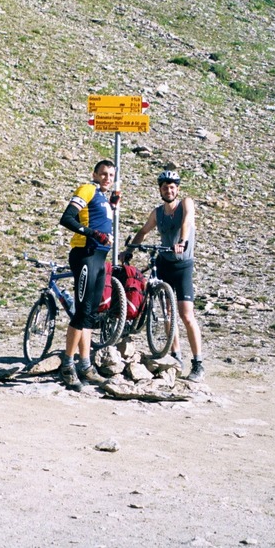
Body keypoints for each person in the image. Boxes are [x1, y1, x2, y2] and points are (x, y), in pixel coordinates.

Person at [123, 170, 205, 382]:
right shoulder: (157, 213)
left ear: (177, 189)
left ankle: (198, 363)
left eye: (172, 187)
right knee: (168, 314)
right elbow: (143, 231)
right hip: (165, 263)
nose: (169, 190)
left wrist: (183, 242)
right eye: (165, 187)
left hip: (183, 265)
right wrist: (130, 249)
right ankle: (175, 356)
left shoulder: (186, 203)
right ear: (160, 189)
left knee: (186, 315)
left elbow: (186, 222)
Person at [57, 159, 118, 390]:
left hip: (100, 258)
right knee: (82, 311)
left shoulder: (103, 196)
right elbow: (67, 218)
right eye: (103, 174)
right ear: (94, 174)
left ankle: (85, 365)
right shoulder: (87, 189)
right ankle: (67, 365)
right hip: (85, 254)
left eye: (111, 174)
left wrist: (111, 205)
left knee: (91, 313)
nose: (107, 178)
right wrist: (93, 234)